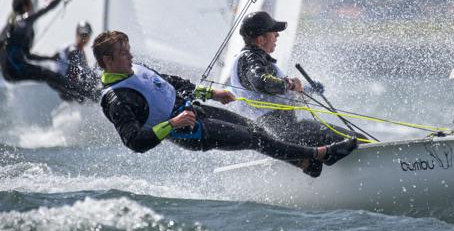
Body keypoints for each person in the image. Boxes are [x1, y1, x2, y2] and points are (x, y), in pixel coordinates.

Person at [93, 31, 357, 177]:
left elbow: (172, 83)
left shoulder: (134, 69)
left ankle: (304, 165)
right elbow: (135, 142)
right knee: (253, 138)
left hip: (196, 111)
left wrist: (213, 94)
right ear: (107, 60)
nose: (130, 55)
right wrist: (172, 123)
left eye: (129, 49)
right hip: (189, 131)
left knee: (258, 131)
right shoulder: (116, 98)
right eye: (124, 52)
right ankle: (320, 154)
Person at [229, 11, 365, 146]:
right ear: (261, 40)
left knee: (350, 139)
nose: (277, 35)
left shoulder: (253, 59)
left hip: (278, 131)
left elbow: (269, 92)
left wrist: (307, 89)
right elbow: (261, 82)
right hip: (281, 131)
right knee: (357, 140)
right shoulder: (250, 58)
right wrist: (290, 84)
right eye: (273, 32)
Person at [0, 0, 98, 102]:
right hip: (15, 70)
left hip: (8, 73)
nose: (33, 8)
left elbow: (27, 55)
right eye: (31, 5)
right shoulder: (24, 21)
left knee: (47, 76)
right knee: (48, 75)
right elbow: (48, 8)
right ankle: (88, 95)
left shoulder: (10, 26)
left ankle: (79, 96)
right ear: (26, 6)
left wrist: (50, 58)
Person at [54, 21, 99, 101]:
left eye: (86, 35)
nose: (84, 38)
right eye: (81, 35)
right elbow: (73, 73)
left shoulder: (78, 49)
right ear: (76, 34)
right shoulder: (73, 50)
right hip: (67, 91)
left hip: (68, 87)